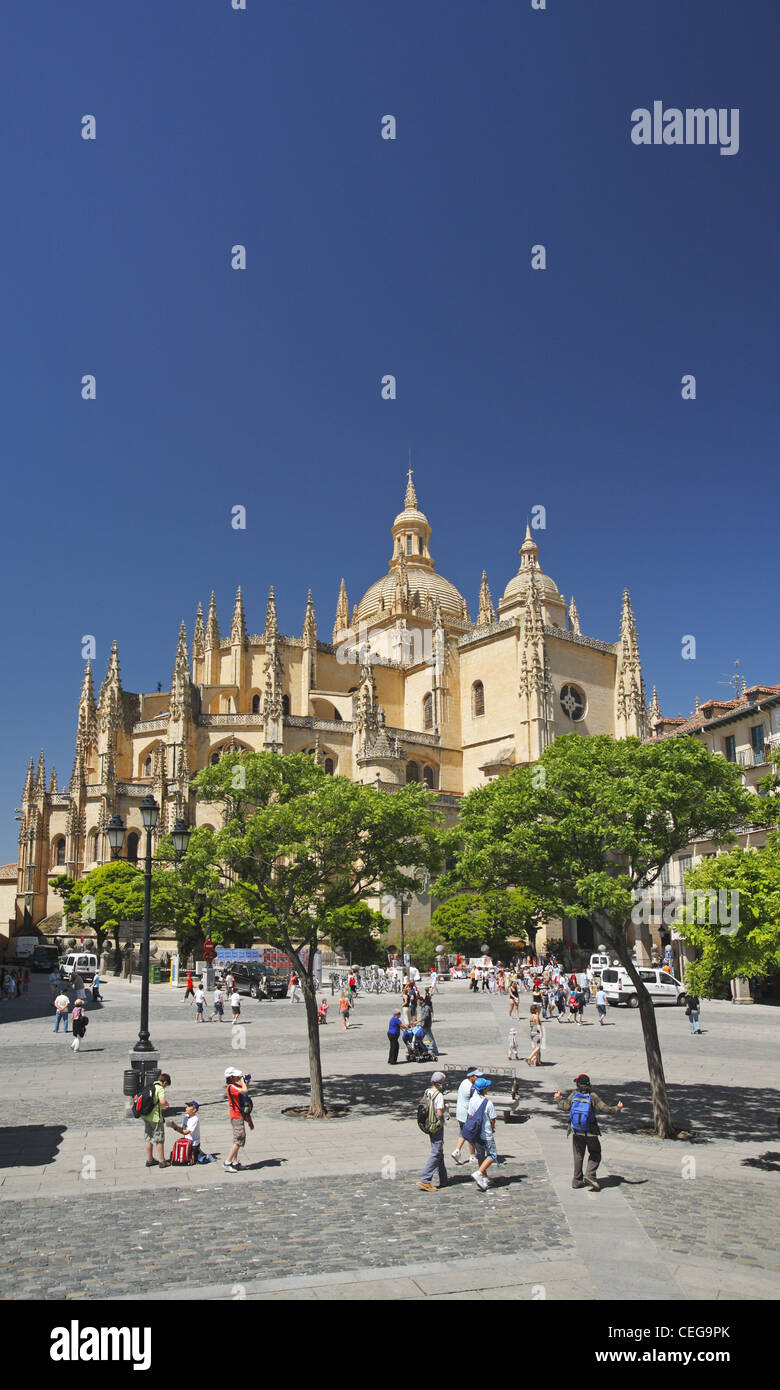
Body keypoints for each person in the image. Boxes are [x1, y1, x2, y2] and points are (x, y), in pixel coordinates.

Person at [554, 1073, 624, 1191]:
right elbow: (606, 1109)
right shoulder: (592, 1096)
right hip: (590, 1131)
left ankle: (577, 1181)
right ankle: (590, 1175)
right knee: (596, 1152)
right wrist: (618, 1107)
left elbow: (565, 1107)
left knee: (578, 1155)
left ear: (578, 1084)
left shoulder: (574, 1094)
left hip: (576, 1131)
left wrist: (558, 1098)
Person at [417, 1070, 449, 1191]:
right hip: (436, 1125)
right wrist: (446, 1107)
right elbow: (440, 1113)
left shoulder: (428, 1091)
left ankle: (443, 1178)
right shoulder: (439, 1095)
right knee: (436, 1151)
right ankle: (425, 1179)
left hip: (427, 1124)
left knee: (439, 1151)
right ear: (441, 1083)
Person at [467, 1078, 499, 1190]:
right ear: (484, 1089)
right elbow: (493, 1119)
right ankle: (479, 1173)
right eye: (487, 1087)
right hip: (486, 1133)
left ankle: (484, 1178)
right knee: (492, 1155)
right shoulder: (488, 1103)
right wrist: (493, 1128)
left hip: (476, 1133)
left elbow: (469, 1116)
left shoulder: (472, 1100)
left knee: (480, 1155)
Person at [450, 1067, 482, 1165]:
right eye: (476, 1076)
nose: (478, 1078)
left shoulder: (464, 1082)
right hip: (467, 1115)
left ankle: (457, 1151)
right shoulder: (472, 1088)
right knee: (471, 1136)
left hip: (459, 1113)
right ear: (471, 1076)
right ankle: (472, 1156)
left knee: (463, 1133)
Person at [223, 1067, 250, 1171]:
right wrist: (243, 1082)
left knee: (237, 1139)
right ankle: (227, 1162)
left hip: (238, 1115)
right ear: (232, 1077)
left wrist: (246, 1081)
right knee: (239, 1139)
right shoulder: (231, 1087)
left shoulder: (234, 1085)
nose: (239, 1077)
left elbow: (245, 1090)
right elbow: (244, 1090)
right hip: (236, 1116)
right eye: (237, 1076)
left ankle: (234, 1162)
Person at [144, 1071, 171, 1168]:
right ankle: (162, 1161)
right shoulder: (160, 1088)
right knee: (159, 1139)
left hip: (146, 1116)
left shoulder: (150, 1086)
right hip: (156, 1117)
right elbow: (163, 1101)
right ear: (165, 1083)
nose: (165, 1087)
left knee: (148, 1138)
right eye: (166, 1085)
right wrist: (166, 1105)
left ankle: (150, 1159)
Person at [420, 991, 439, 1059]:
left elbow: (426, 1016)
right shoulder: (423, 1006)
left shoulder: (426, 1007)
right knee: (419, 1038)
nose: (418, 1002)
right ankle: (420, 1049)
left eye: (418, 1001)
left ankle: (435, 1051)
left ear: (421, 1001)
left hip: (426, 1025)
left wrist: (419, 1020)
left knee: (430, 1038)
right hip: (423, 1025)